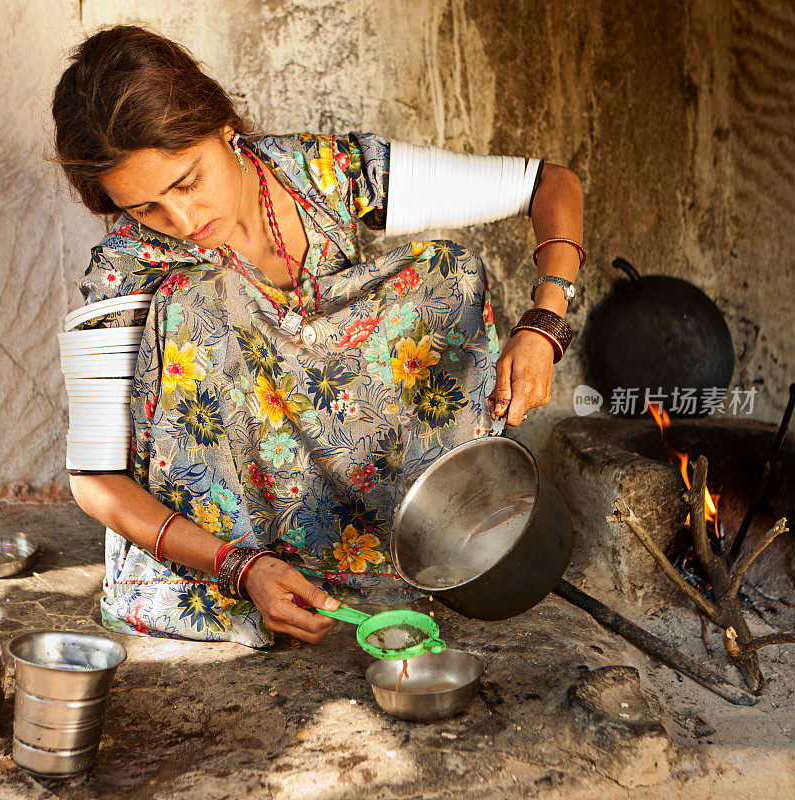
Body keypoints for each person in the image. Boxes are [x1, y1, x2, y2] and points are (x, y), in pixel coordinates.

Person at [52, 25, 584, 649]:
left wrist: (546, 322)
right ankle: (267, 575)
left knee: (446, 271)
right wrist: (236, 567)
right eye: (144, 208)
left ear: (224, 127)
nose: (183, 222)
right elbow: (92, 481)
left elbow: (553, 183)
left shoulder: (320, 173)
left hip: (359, 491)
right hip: (227, 544)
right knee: (193, 304)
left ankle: (424, 533)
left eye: (186, 181)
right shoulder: (126, 269)